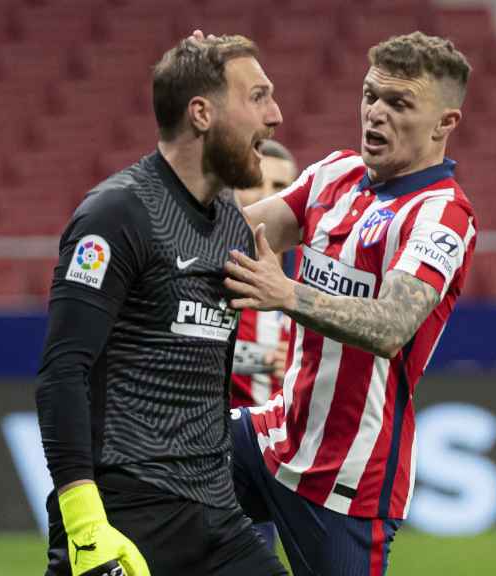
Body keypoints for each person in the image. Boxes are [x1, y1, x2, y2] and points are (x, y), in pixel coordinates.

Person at [223, 31, 477, 575]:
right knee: (139, 473)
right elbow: (230, 239)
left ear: (444, 124)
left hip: (348, 484)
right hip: (273, 436)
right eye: (370, 96)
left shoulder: (442, 216)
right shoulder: (333, 175)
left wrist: (285, 293)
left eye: (399, 103)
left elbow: (391, 325)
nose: (375, 114)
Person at [34, 34, 287, 576]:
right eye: (258, 96)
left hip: (217, 515)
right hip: (125, 512)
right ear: (201, 113)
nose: (276, 116)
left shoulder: (233, 228)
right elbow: (63, 371)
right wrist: (85, 525)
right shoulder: (118, 214)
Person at [230, 139, 297, 552]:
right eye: (257, 182)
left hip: (270, 480)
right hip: (202, 469)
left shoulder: (311, 288)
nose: (270, 196)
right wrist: (258, 359)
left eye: (283, 187)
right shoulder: (208, 277)